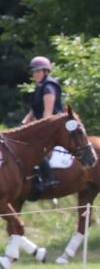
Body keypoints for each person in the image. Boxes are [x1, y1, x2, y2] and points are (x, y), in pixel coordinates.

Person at [21, 56, 64, 190]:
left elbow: (47, 114)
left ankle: (50, 178)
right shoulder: (39, 87)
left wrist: (36, 130)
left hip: (53, 126)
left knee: (35, 147)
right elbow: (34, 110)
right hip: (44, 124)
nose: (34, 74)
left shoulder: (49, 87)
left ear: (46, 71)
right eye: (33, 72)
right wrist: (24, 123)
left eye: (37, 71)